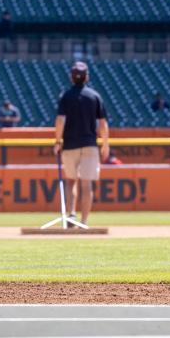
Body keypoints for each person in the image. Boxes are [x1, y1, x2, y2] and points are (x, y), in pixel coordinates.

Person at [53, 61, 110, 226]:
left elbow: (60, 120)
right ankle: (84, 222)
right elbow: (103, 123)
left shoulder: (65, 96)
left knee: (71, 181)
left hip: (70, 144)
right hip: (89, 144)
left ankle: (71, 214)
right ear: (87, 77)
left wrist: (58, 141)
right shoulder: (94, 96)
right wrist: (105, 144)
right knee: (86, 184)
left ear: (71, 78)